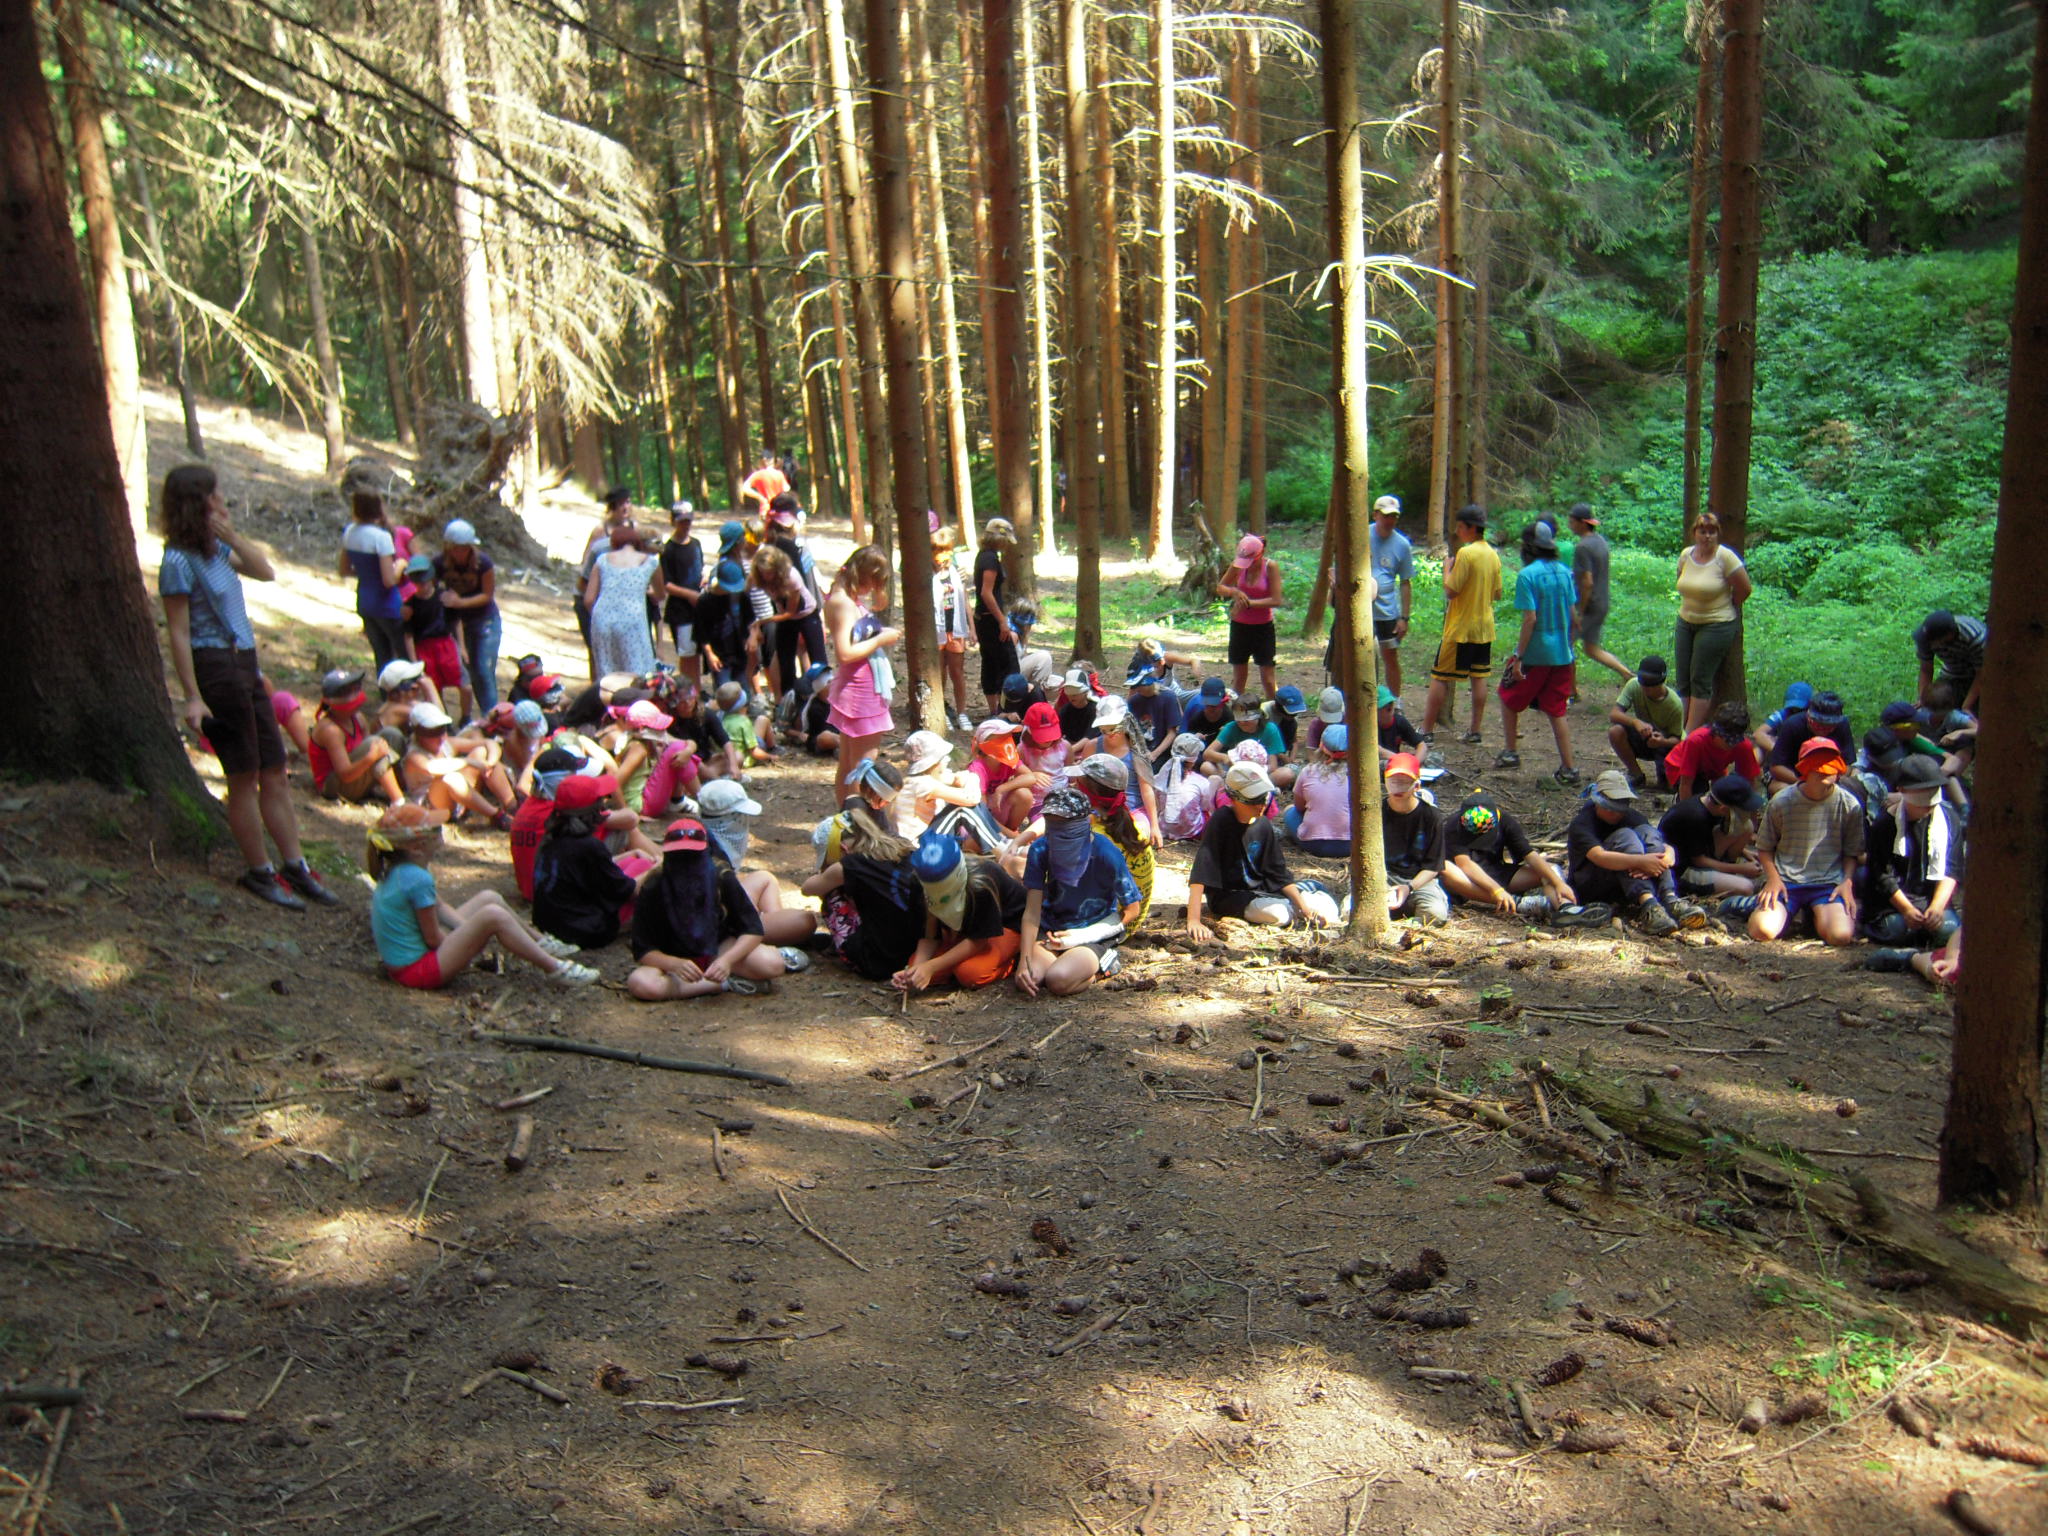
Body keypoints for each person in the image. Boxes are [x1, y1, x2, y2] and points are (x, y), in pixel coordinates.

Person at [156, 465, 336, 910]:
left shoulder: (216, 549)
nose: (222, 502)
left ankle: (294, 864)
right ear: (197, 502)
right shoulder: (177, 560)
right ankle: (260, 870)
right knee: (244, 774)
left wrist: (233, 538)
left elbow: (265, 571)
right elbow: (178, 631)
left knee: (274, 768)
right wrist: (193, 695)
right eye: (215, 495)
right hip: (216, 666)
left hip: (246, 663)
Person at [368, 803, 597, 989]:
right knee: (493, 916)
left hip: (412, 963)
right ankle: (556, 968)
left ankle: (541, 942)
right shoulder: (417, 879)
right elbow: (433, 939)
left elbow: (441, 908)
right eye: (435, 829)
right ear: (416, 847)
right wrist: (470, 943)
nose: (442, 829)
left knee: (489, 898)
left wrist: (467, 931)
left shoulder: (404, 871)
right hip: (417, 972)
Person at [628, 818, 804, 998]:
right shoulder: (653, 886)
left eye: (692, 855)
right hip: (671, 957)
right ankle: (723, 984)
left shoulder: (721, 877)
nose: (686, 862)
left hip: (718, 946)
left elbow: (752, 929)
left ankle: (713, 978)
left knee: (771, 964)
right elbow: (642, 948)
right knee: (642, 983)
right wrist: (673, 964)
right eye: (678, 855)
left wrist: (727, 961)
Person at [1186, 764, 1337, 940]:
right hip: (1230, 897)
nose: (1262, 804)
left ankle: (1301, 906)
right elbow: (1201, 873)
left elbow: (1278, 873)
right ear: (1234, 798)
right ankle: (1293, 907)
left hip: (1265, 891)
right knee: (1278, 914)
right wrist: (1193, 920)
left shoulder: (1263, 824)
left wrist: (1303, 907)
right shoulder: (1221, 821)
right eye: (1254, 799)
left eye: (1265, 797)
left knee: (1323, 906)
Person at [1020, 787, 1144, 993]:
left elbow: (1132, 910)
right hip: (1052, 929)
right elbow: (1032, 912)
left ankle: (1104, 966)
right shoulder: (1040, 849)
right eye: (1052, 823)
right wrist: (1023, 962)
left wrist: (1082, 937)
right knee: (1031, 978)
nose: (1058, 832)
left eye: (1065, 824)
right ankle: (1067, 964)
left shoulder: (1106, 853)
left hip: (1094, 933)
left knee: (1058, 981)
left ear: (1085, 822)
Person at [1749, 736, 1865, 946]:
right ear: (1805, 770)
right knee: (1762, 930)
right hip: (1786, 881)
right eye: (1818, 769)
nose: (1825, 775)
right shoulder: (1782, 802)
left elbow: (1852, 851)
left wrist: (1846, 882)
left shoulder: (1849, 805)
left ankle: (1813, 915)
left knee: (1840, 936)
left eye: (1830, 769)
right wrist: (1773, 879)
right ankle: (1746, 905)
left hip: (1828, 882)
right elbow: (1765, 847)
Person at [1564, 771, 1704, 937]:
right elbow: (1599, 856)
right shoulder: (1582, 824)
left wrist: (1667, 856)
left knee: (1647, 832)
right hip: (1592, 884)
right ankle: (1648, 905)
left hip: (1624, 884)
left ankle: (1669, 898)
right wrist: (1640, 861)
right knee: (1626, 836)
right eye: (1611, 807)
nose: (1616, 813)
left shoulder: (1631, 816)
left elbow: (1658, 842)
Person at [803, 799, 926, 980]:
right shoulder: (901, 845)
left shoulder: (851, 865)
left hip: (879, 962)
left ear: (843, 848)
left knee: (832, 894)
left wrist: (828, 872)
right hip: (920, 949)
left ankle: (847, 948)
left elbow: (808, 889)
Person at [1495, 521, 1579, 784]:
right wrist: (1569, 646)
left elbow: (1530, 619)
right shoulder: (1565, 572)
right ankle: (1569, 769)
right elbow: (1574, 616)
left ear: (1528, 547)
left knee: (1507, 696)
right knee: (1557, 710)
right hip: (1562, 655)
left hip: (1535, 655)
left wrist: (1519, 657)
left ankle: (1511, 752)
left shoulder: (1527, 575)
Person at [894, 833, 1029, 991]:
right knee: (916, 965)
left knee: (970, 974)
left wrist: (931, 966)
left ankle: (1009, 960)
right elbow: (928, 933)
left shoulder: (981, 882)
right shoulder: (919, 882)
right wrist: (916, 969)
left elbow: (979, 940)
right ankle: (954, 966)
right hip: (963, 930)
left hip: (1004, 925)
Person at [531, 785, 654, 953]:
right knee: (645, 868)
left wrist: (631, 853)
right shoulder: (588, 846)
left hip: (550, 923)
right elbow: (629, 891)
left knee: (632, 861)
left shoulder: (553, 837)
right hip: (583, 930)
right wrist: (658, 868)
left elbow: (590, 869)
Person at [1421, 505, 1503, 744]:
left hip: (1460, 629)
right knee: (1479, 676)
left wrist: (1446, 569)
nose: (1457, 531)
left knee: (1440, 676)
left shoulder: (1466, 554)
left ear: (1472, 528)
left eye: (1460, 527)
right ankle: (1475, 730)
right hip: (1484, 628)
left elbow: (1451, 590)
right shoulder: (1493, 555)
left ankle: (1426, 731)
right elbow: (1497, 593)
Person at [1859, 755, 1960, 947]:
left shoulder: (1949, 819)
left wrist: (1937, 907)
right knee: (1897, 930)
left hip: (1931, 898)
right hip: (1893, 904)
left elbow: (1951, 869)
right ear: (1902, 791)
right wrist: (1906, 909)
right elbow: (1882, 875)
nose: (1927, 807)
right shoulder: (1885, 825)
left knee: (1948, 930)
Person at [1441, 791, 1586, 922]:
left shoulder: (1505, 821)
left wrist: (1558, 883)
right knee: (1446, 868)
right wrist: (1496, 890)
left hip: (1497, 872)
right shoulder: (1453, 826)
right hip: (1467, 880)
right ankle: (1521, 904)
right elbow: (1465, 864)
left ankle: (1566, 909)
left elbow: (1529, 855)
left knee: (1551, 870)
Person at [824, 545, 901, 790]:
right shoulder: (843, 604)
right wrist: (881, 640)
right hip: (860, 691)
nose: (873, 589)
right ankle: (858, 812)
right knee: (862, 767)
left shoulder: (844, 596)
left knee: (849, 765)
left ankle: (848, 810)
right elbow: (845, 653)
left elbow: (859, 631)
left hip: (859, 686)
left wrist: (878, 631)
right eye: (874, 583)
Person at [1672, 510, 1751, 733]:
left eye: (1712, 532)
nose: (1707, 536)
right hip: (1686, 620)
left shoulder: (1725, 557)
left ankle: (1689, 734)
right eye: (1702, 531)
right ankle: (1677, 728)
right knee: (1683, 678)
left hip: (1716, 623)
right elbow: (1681, 580)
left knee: (1700, 678)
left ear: (1718, 534)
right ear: (1694, 533)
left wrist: (1729, 603)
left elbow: (1744, 588)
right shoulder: (1686, 555)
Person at [401, 702, 517, 824]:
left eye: (442, 730)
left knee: (481, 752)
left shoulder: (447, 744)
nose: (440, 737)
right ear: (419, 734)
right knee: (450, 778)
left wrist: (489, 763)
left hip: (459, 797)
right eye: (432, 733)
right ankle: (497, 816)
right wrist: (467, 762)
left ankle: (512, 806)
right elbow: (432, 768)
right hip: (434, 807)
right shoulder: (414, 755)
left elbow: (489, 743)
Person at [1658, 774, 1765, 898]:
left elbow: (1704, 838)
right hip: (1682, 869)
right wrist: (1740, 868)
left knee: (1746, 826)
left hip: (1700, 852)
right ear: (1724, 809)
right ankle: (1725, 878)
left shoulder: (1710, 805)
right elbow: (1699, 861)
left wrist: (1745, 853)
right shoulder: (1695, 818)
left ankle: (1725, 873)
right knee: (1746, 887)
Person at [398, 553, 474, 725]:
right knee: (433, 688)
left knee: (465, 685)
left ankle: (466, 716)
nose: (422, 585)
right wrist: (414, 661)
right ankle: (444, 721)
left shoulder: (443, 597)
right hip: (425, 648)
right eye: (418, 582)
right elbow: (408, 635)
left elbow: (456, 622)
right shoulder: (410, 605)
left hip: (446, 645)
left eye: (425, 581)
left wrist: (462, 647)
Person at [308, 667, 404, 805]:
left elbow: (374, 754)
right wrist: (370, 758)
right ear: (329, 701)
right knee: (375, 743)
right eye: (346, 692)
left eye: (356, 689)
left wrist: (373, 757)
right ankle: (399, 802)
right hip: (336, 787)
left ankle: (403, 788)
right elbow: (345, 775)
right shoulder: (330, 730)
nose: (354, 695)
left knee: (392, 735)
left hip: (357, 777)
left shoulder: (358, 718)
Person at [435, 519, 502, 713]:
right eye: (456, 548)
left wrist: (460, 602)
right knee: (469, 670)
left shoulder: (483, 563)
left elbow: (487, 595)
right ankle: (478, 714)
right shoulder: (439, 563)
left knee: (483, 670)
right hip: (457, 624)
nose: (460, 552)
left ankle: (492, 716)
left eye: (464, 548)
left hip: (485, 620)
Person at [584, 517, 660, 680]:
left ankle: (609, 695)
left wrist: (599, 615)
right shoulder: (649, 562)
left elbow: (589, 599)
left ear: (613, 544)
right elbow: (660, 594)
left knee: (607, 671)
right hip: (633, 618)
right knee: (637, 671)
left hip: (602, 618)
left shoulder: (602, 560)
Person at [1377, 753, 1449, 925]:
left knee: (1436, 914)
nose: (1398, 788)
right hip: (1383, 877)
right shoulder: (1376, 811)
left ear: (1416, 786)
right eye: (1393, 781)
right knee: (1350, 910)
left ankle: (1404, 924)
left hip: (1418, 881)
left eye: (1404, 782)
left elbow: (1433, 866)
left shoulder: (1431, 816)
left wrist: (1409, 888)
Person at [339, 491, 406, 671]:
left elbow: (344, 569)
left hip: (365, 602)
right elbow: (389, 580)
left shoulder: (350, 532)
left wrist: (366, 572)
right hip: (387, 605)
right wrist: (400, 565)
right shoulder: (381, 537)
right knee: (404, 657)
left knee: (381, 657)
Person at [747, 544, 822, 703]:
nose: (766, 576)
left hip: (805, 614)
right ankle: (789, 699)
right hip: (784, 617)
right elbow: (745, 593)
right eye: (763, 572)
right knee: (784, 660)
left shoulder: (791, 577)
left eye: (770, 572)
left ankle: (822, 698)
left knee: (818, 658)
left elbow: (790, 613)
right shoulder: (757, 577)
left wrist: (761, 622)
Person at [1566, 502, 1631, 680]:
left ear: (1582, 523)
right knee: (1592, 649)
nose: (1570, 525)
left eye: (1572, 522)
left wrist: (1580, 611)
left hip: (1590, 605)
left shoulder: (1583, 547)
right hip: (1602, 602)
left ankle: (1568, 689)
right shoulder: (1600, 541)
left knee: (1564, 646)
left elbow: (1587, 582)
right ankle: (1628, 674)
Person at [1218, 534, 1282, 698]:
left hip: (1263, 627)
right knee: (1239, 677)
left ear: (1260, 554)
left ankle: (1274, 709)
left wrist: (1248, 603)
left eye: (1251, 561)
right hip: (1240, 626)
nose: (1248, 565)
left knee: (1268, 678)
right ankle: (1237, 709)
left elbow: (1276, 600)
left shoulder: (1270, 567)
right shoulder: (1239, 565)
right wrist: (1234, 592)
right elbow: (1221, 587)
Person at [1606, 656, 1684, 791]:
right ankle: (1636, 775)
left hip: (1665, 745)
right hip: (1643, 737)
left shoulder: (1675, 704)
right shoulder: (1634, 685)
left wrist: (1662, 742)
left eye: (1652, 683)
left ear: (1661, 681)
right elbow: (1614, 714)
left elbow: (1677, 739)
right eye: (1643, 681)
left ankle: (1666, 778)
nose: (1646, 687)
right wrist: (1635, 722)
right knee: (1616, 731)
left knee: (1669, 788)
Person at [1664, 702, 1763, 802]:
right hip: (1678, 766)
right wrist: (1686, 807)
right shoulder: (1696, 741)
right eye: (1727, 740)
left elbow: (1749, 780)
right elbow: (1686, 783)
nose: (1730, 745)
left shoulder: (1743, 745)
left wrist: (1750, 806)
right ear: (1716, 732)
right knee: (1699, 792)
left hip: (1712, 770)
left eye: (1734, 742)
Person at [895, 729, 983, 840]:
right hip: (916, 844)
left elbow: (954, 781)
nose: (947, 760)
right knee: (963, 809)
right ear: (933, 763)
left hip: (923, 837)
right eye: (942, 758)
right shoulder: (923, 783)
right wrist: (973, 778)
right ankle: (999, 846)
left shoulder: (917, 780)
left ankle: (998, 842)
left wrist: (959, 781)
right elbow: (971, 798)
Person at [1367, 496, 1416, 694]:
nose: (1390, 520)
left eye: (1394, 516)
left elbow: (1405, 582)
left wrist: (1404, 617)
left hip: (1387, 611)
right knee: (1363, 657)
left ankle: (1395, 700)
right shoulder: (1362, 535)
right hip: (1362, 609)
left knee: (1390, 656)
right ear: (1375, 515)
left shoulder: (1402, 544)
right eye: (1386, 516)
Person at [973, 518, 1020, 713]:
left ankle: (995, 711)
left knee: (991, 663)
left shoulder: (985, 556)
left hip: (984, 618)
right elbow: (986, 592)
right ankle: (1008, 709)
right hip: (990, 621)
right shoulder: (990, 559)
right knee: (1009, 665)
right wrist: (1002, 621)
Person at [931, 526, 975, 730]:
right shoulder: (927, 575)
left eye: (945, 550)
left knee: (957, 672)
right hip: (937, 631)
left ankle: (962, 712)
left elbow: (965, 600)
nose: (941, 555)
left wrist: (971, 627)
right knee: (939, 672)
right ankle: (941, 711)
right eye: (937, 550)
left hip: (955, 629)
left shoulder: (956, 572)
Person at [1286, 725, 1351, 858]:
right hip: (1352, 844)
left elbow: (1299, 807)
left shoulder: (1308, 771)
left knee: (1289, 811)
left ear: (1321, 746)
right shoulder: (1359, 775)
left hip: (1313, 844)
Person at [1765, 690, 1853, 786]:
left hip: (1828, 778)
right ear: (1808, 716)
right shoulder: (1792, 725)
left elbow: (1848, 763)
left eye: (1829, 726)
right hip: (1794, 777)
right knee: (1780, 787)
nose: (1823, 730)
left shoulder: (1842, 725)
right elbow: (1776, 768)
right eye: (1818, 725)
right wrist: (1807, 785)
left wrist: (1833, 781)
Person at [658, 503, 704, 681]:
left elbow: (699, 570)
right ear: (673, 522)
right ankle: (687, 689)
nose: (686, 525)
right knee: (687, 653)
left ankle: (696, 688)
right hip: (681, 610)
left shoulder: (696, 544)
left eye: (688, 521)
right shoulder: (668, 550)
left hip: (698, 607)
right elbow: (666, 584)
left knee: (697, 652)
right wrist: (689, 595)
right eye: (682, 521)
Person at [1205, 694, 1292, 785]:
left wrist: (1256, 772)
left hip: (1261, 774)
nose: (1242, 722)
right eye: (1239, 717)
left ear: (1258, 715)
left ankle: (1259, 787)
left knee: (1286, 774)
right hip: (1235, 771)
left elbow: (1272, 766)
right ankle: (1229, 786)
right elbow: (1207, 753)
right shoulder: (1231, 727)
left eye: (1247, 719)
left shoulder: (1270, 729)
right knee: (1206, 766)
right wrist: (1226, 758)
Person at [1912, 611, 1986, 714]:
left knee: (1975, 712)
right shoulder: (1924, 638)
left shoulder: (1974, 637)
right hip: (1953, 671)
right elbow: (1926, 669)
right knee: (1936, 703)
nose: (1931, 646)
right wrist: (1923, 699)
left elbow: (1982, 674)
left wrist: (1966, 706)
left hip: (1980, 674)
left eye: (1934, 641)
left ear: (1949, 635)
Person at [717, 680, 776, 765]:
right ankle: (773, 747)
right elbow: (754, 752)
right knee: (762, 719)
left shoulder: (719, 717)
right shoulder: (743, 722)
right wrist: (770, 757)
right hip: (745, 759)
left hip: (728, 759)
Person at [1754, 681, 1813, 756]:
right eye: (1793, 707)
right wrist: (1778, 750)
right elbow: (1758, 734)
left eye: (1799, 709)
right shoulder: (1783, 714)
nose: (1795, 710)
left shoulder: (1813, 717)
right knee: (1759, 748)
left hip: (1804, 750)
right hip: (1782, 749)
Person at [1373, 686, 1423, 762]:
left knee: (1432, 758)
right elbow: (1378, 751)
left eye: (1391, 703)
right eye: (1385, 706)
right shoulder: (1370, 727)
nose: (1390, 706)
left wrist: (1415, 763)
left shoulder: (1399, 721)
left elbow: (1421, 745)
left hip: (1396, 761)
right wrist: (1401, 760)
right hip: (1379, 762)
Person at [1181, 677, 1235, 746]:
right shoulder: (1196, 714)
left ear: (1223, 702)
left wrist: (1227, 735)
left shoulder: (1229, 717)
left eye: (1214, 704)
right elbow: (1184, 738)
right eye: (1207, 704)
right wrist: (1194, 737)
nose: (1210, 708)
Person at [1056, 669, 1103, 744]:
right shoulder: (1066, 710)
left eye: (1075, 694)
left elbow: (1089, 737)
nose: (1072, 697)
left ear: (1085, 692)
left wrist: (1071, 749)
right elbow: (1058, 732)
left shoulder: (1095, 710)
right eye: (1069, 694)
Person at [739, 451, 790, 518]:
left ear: (761, 461)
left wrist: (760, 497)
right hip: (780, 509)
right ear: (772, 461)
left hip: (766, 509)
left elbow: (745, 488)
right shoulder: (779, 474)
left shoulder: (758, 475)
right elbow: (786, 488)